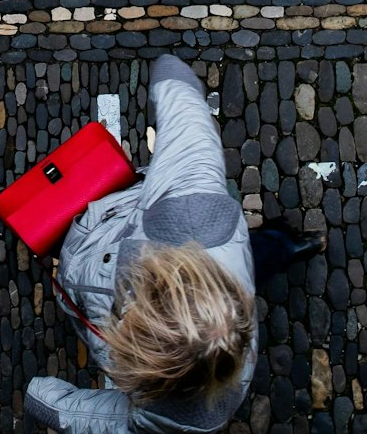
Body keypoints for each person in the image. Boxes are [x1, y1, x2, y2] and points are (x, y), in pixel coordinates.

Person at [24, 54, 319, 432]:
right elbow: (74, 411)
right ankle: (287, 246)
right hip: (184, 252)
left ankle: (284, 245)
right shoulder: (189, 418)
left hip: (107, 234)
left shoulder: (194, 212)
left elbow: (175, 81)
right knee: (255, 259)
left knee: (251, 258)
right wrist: (39, 396)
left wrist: (38, 396)